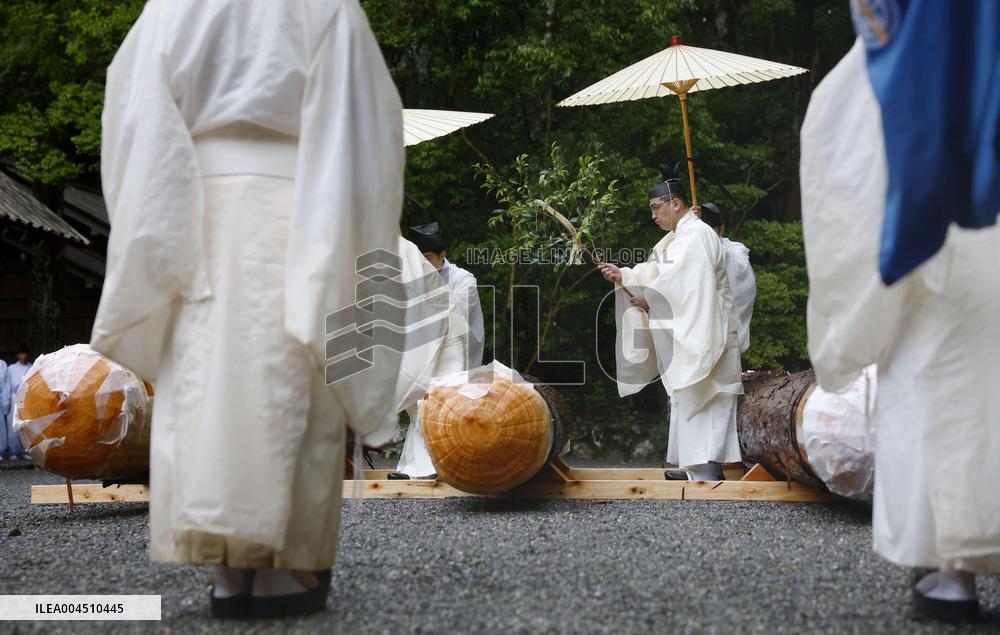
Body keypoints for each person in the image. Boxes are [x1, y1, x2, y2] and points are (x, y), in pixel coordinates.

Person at [90, 0, 405, 619]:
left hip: (192, 212)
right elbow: (366, 128)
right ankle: (283, 568)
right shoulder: (326, 8)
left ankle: (227, 570)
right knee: (290, 373)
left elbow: (133, 111)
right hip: (296, 207)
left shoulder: (171, 7)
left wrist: (156, 228)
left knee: (205, 385)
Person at [801, 39, 1000, 623]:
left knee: (941, 386)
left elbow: (850, 156)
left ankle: (951, 570)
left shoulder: (923, 32)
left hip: (952, 230)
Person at [599, 179, 743, 481]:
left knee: (708, 396)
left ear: (675, 203)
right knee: (690, 396)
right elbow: (655, 273)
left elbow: (686, 286)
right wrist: (623, 275)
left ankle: (708, 470)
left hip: (708, 329)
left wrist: (647, 297)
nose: (653, 215)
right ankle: (696, 469)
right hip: (696, 327)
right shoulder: (676, 239)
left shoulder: (696, 235)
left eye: (656, 208)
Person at [394, 222, 485, 479]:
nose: (423, 264)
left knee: (436, 405)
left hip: (456, 350)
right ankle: (412, 468)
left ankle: (433, 467)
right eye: (420, 259)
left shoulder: (463, 280)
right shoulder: (416, 278)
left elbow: (451, 317)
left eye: (427, 259)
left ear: (442, 256)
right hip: (427, 349)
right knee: (419, 406)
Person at [699, 203, 755, 354]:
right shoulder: (687, 246)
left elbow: (725, 258)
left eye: (708, 232)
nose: (703, 237)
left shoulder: (735, 252)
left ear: (721, 229)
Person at [5, 345, 32, 460]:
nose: (23, 356)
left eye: (25, 353)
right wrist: (5, 402)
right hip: (14, 397)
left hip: (26, 398)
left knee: (25, 425)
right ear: (18, 355)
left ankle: (26, 450)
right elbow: (7, 385)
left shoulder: (31, 367)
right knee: (13, 425)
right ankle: (14, 451)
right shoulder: (11, 368)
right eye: (21, 353)